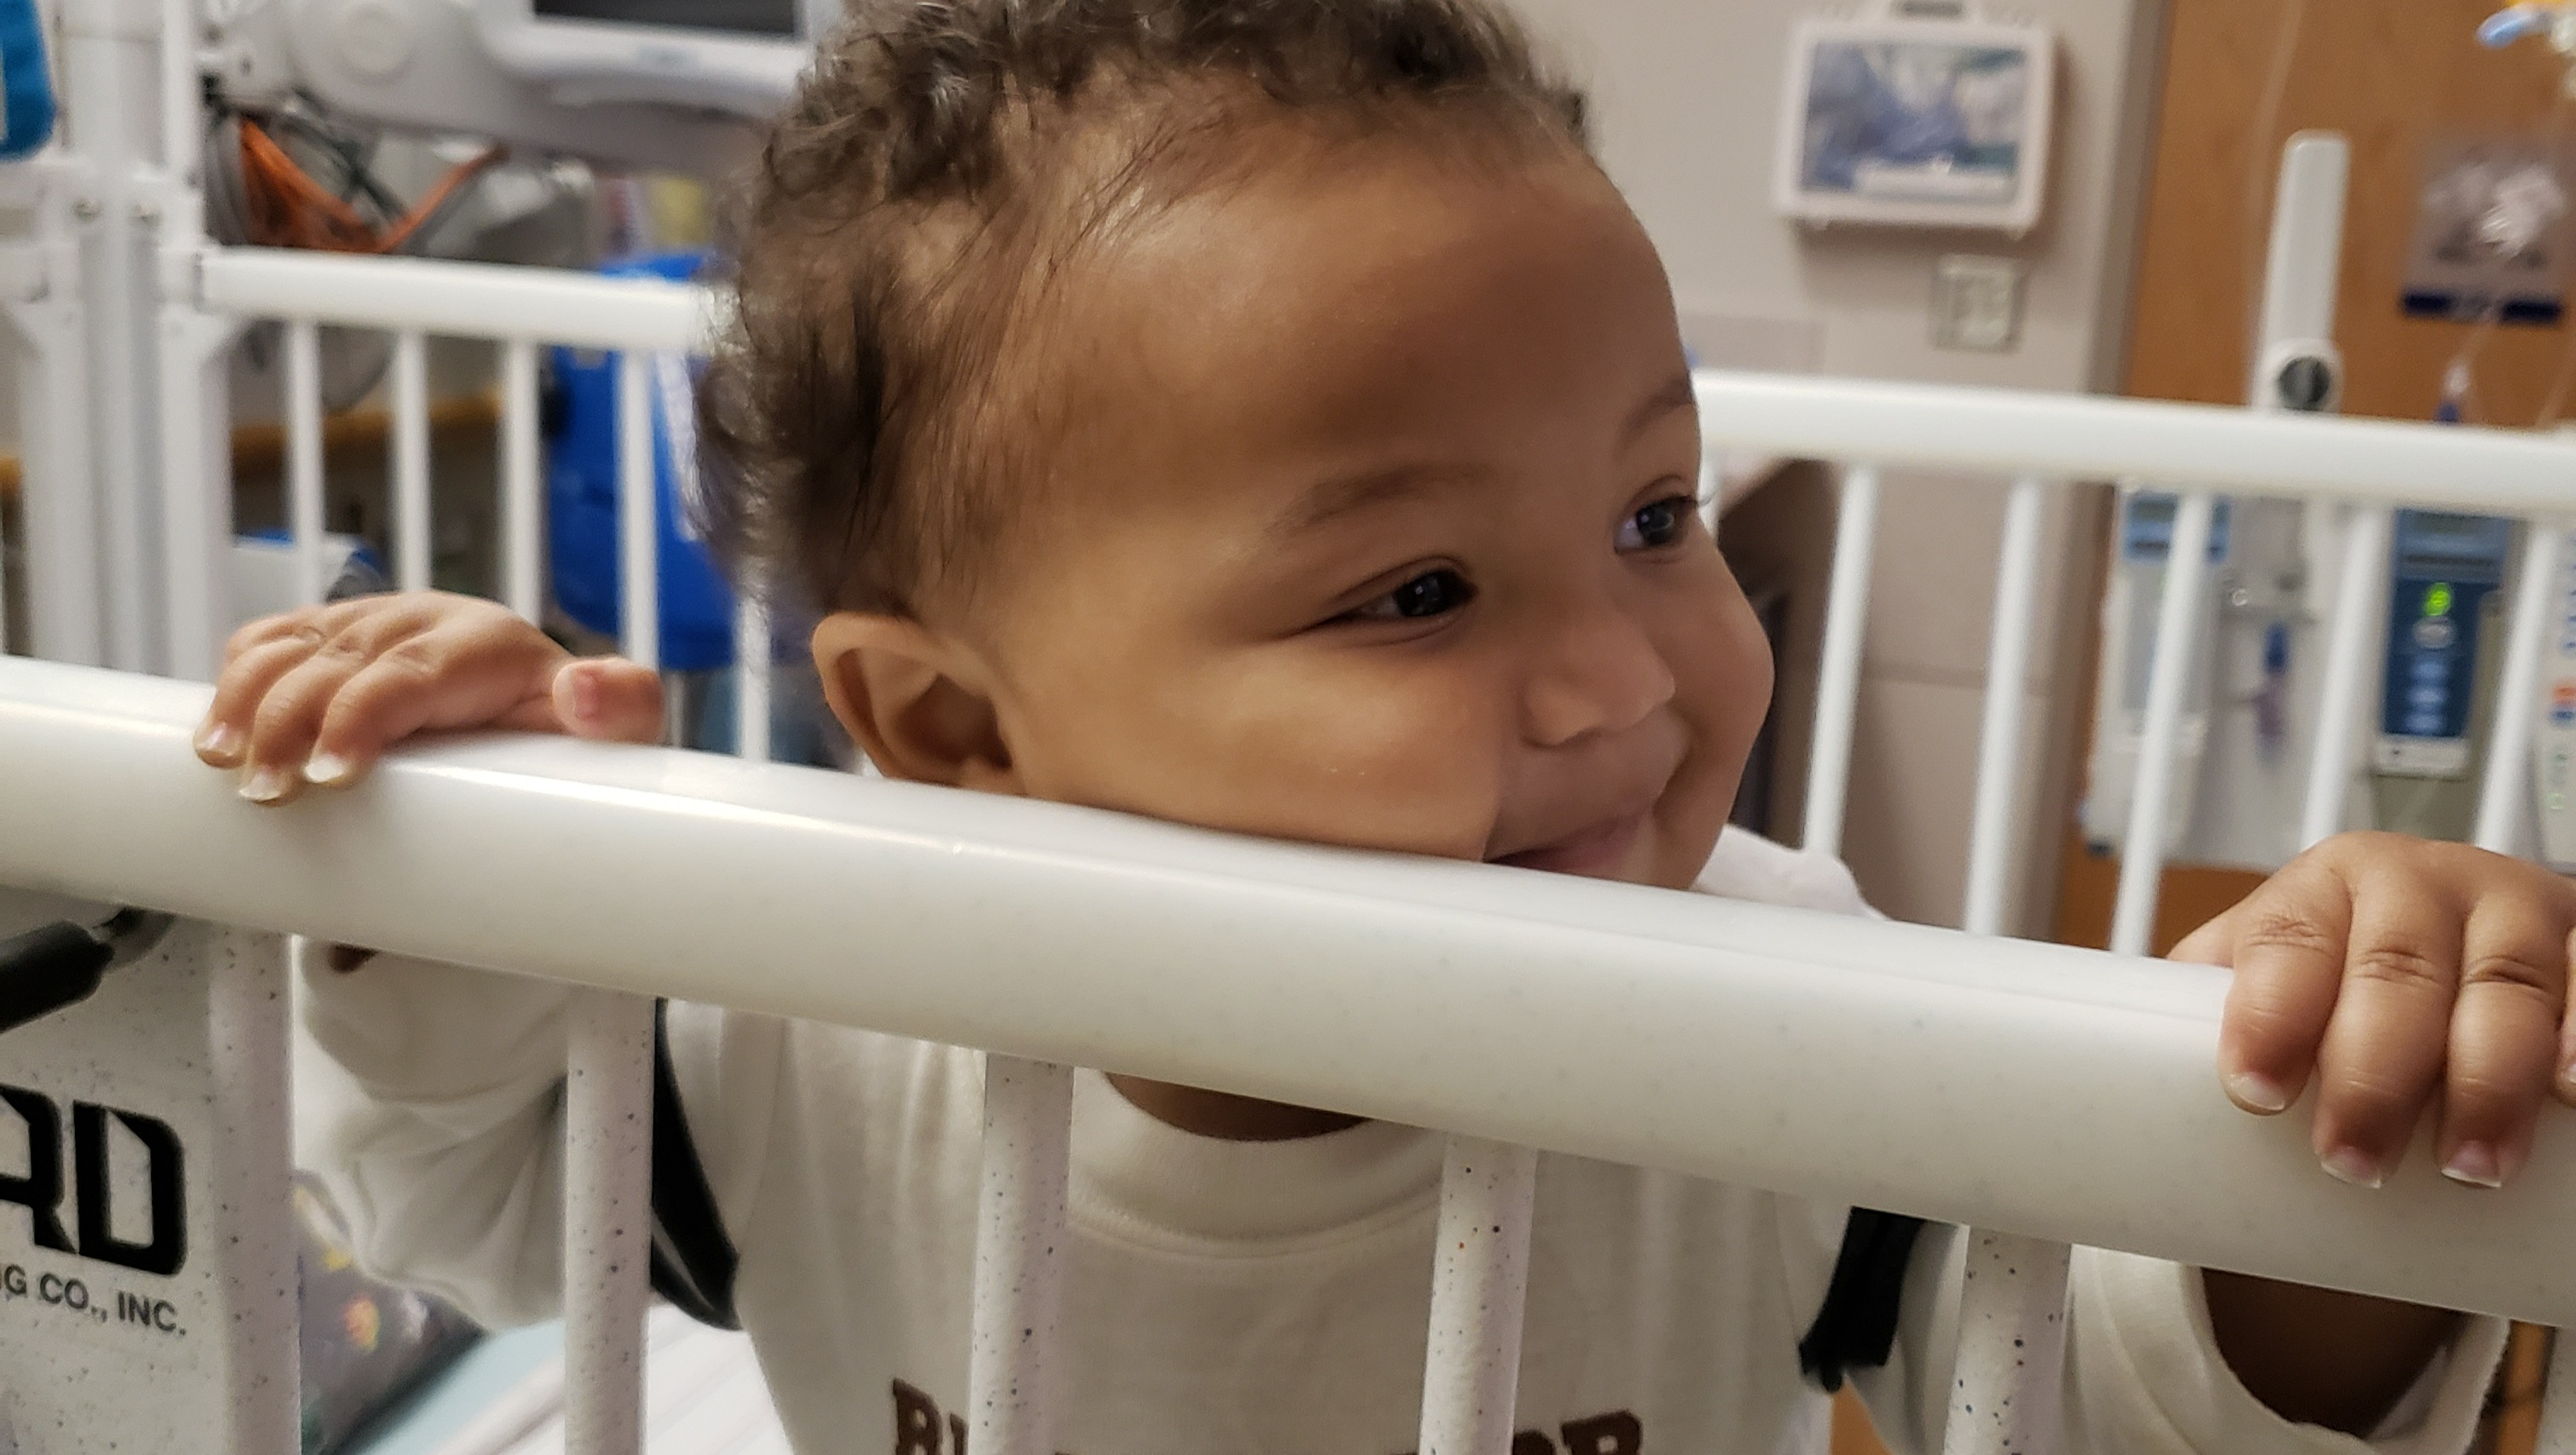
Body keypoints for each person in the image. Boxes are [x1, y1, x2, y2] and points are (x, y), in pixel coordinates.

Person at [193, 2, 2573, 1451]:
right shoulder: (820, 1009)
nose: (1634, 675)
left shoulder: (1787, 1019)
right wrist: (448, 857)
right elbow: (462, 1193)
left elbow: (2111, 1404)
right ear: (948, 726)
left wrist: (2331, 1148)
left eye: (1655, 511)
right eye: (1418, 591)